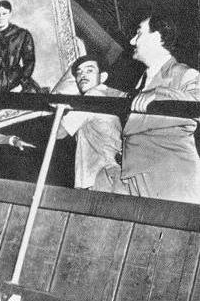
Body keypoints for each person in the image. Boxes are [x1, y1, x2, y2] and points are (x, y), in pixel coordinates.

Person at [122, 13, 200, 203]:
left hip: (172, 177)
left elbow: (197, 104)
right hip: (137, 175)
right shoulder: (142, 80)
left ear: (156, 37)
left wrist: (160, 93)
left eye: (139, 34)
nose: (132, 41)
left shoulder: (184, 73)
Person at [57, 55, 125, 192]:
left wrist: (57, 100)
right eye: (79, 73)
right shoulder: (110, 94)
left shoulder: (93, 96)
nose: (82, 76)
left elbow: (58, 132)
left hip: (104, 177)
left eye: (89, 70)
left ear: (103, 77)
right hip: (112, 174)